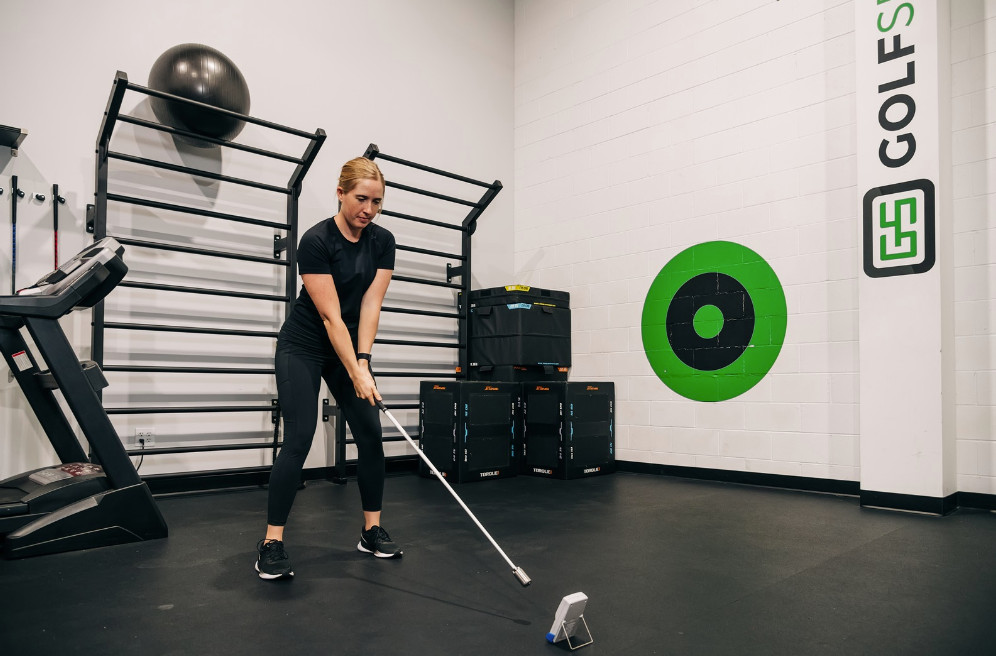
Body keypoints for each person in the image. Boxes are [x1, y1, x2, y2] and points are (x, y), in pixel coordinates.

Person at [256, 156, 398, 580]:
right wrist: (355, 369)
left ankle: (371, 532)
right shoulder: (317, 240)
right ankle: (271, 541)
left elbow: (371, 305)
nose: (368, 210)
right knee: (299, 438)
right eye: (360, 199)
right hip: (304, 345)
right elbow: (332, 317)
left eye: (376, 202)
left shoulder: (384, 241)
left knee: (371, 434)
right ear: (340, 193)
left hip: (349, 348)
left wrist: (363, 362)